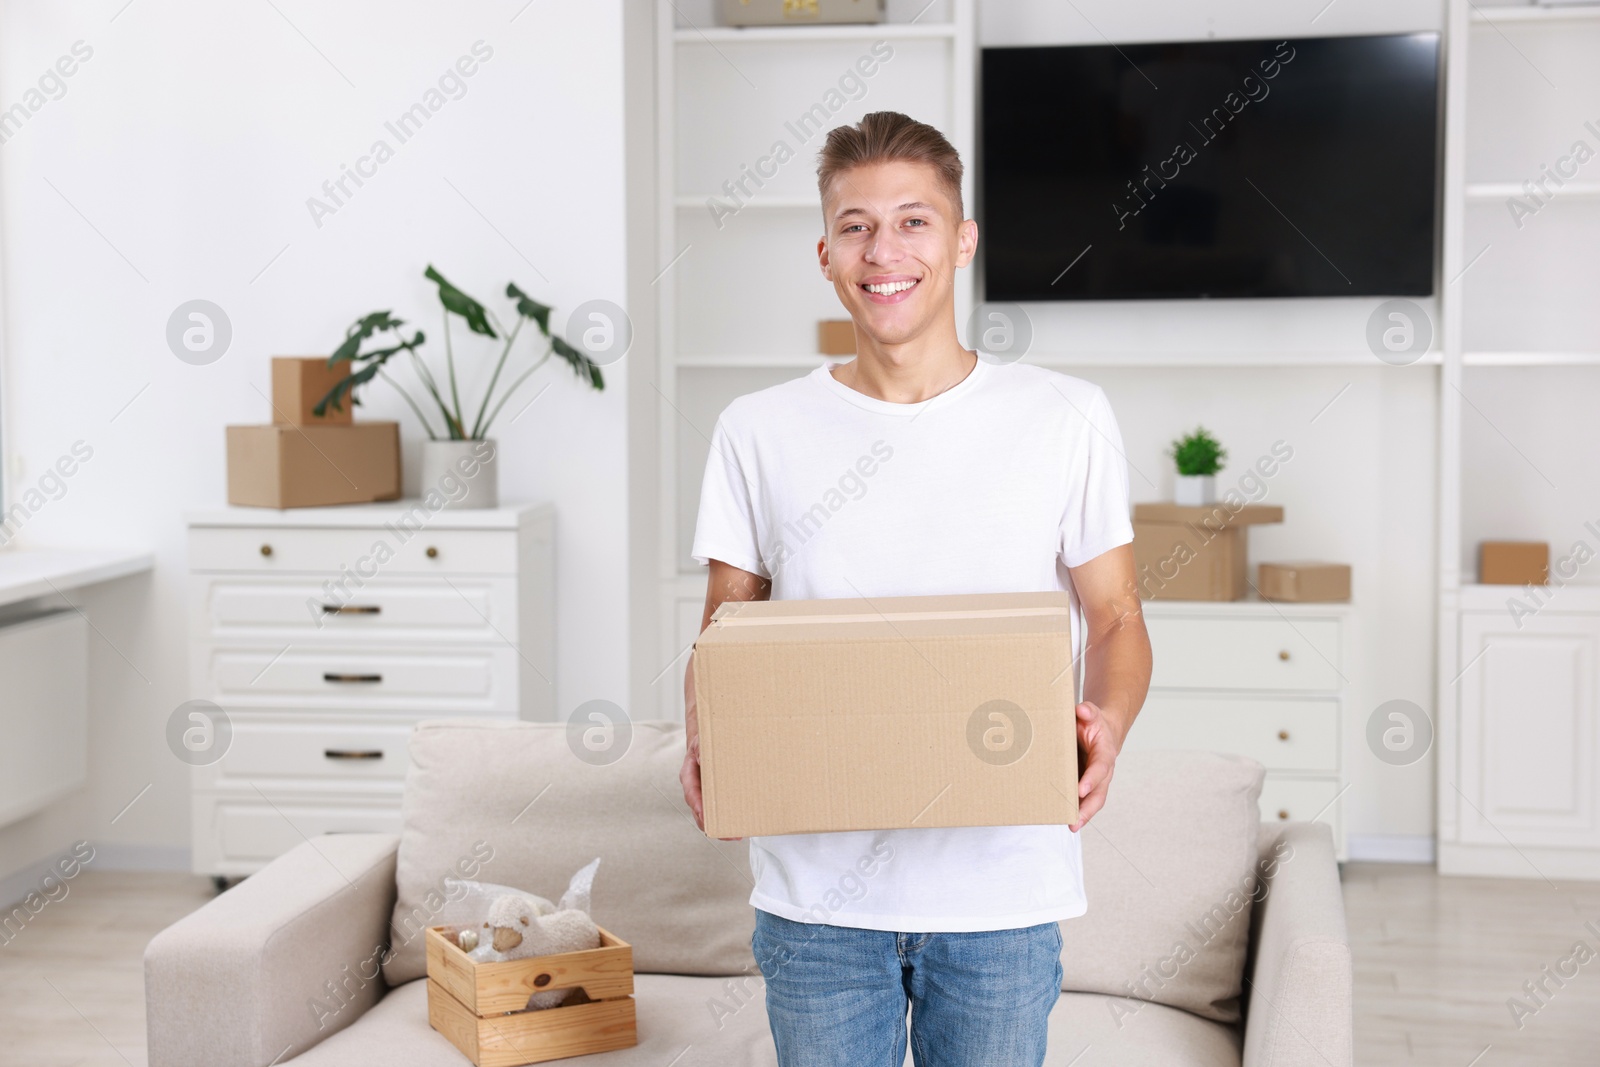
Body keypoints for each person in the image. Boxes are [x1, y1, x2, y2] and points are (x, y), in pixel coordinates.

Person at [680, 110, 1152, 1067]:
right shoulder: (757, 429)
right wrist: (703, 732)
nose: (882, 250)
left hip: (1002, 895)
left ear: (963, 238)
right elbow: (726, 631)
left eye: (913, 221)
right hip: (816, 899)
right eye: (855, 225)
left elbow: (1117, 616)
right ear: (823, 252)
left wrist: (1108, 717)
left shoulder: (1066, 416)